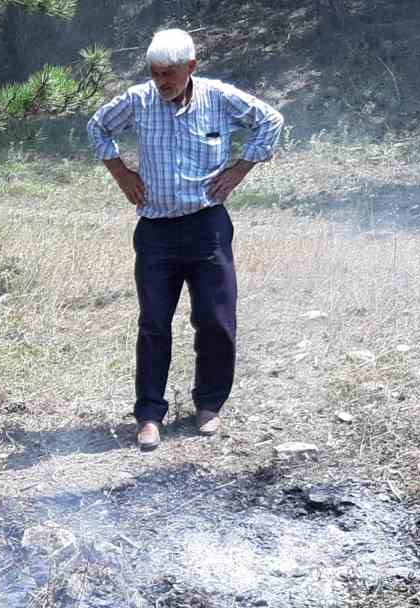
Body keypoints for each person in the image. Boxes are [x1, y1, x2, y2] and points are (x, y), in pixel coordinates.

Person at [85, 28, 283, 451]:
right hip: (156, 231)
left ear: (191, 67)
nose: (162, 82)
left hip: (207, 226)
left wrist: (239, 169)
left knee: (216, 319)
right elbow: (97, 127)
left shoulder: (218, 97)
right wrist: (122, 173)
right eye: (156, 74)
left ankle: (209, 405)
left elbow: (271, 121)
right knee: (154, 323)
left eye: (170, 74)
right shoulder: (138, 101)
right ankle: (149, 416)